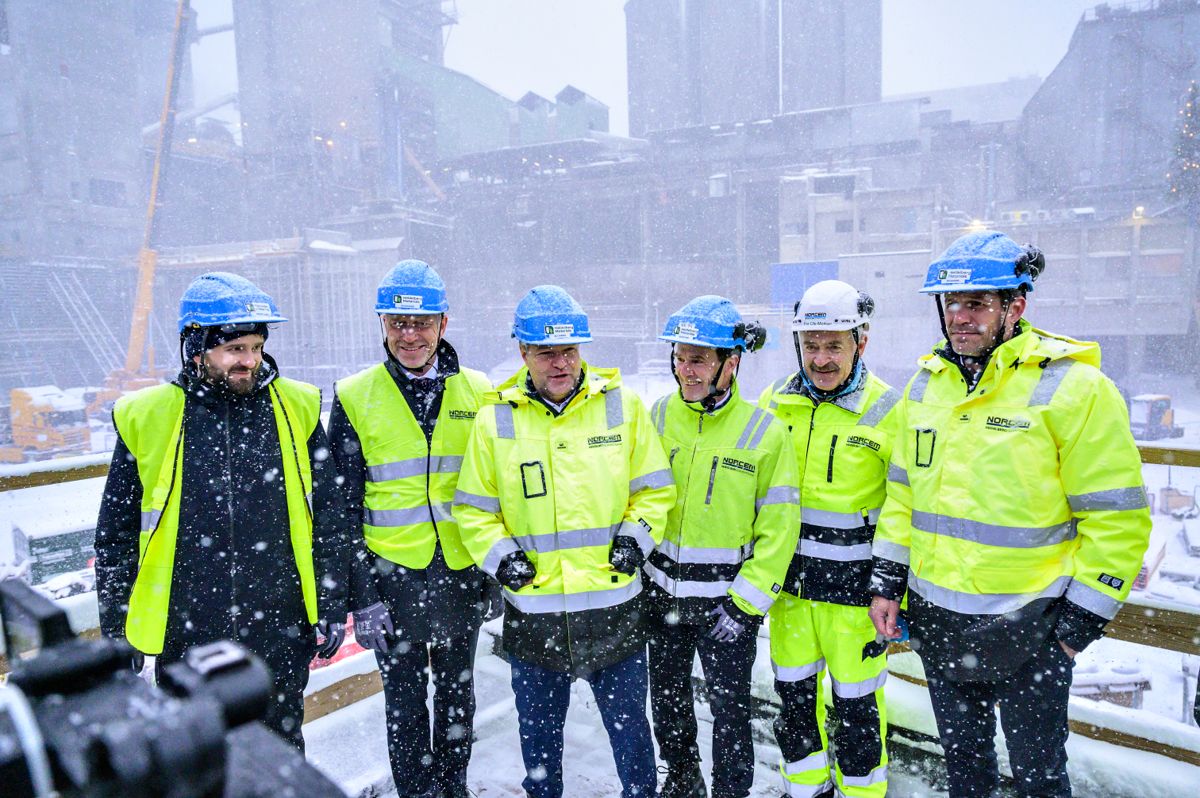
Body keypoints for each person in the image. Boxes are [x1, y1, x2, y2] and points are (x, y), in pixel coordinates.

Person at [867, 231, 1152, 797]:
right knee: (965, 775)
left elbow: (1117, 517)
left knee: (1039, 779)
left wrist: (1078, 623)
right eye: (951, 304)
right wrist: (887, 582)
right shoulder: (927, 386)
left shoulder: (1075, 389)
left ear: (1014, 307)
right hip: (940, 623)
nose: (959, 317)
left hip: (1033, 628)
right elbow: (903, 497)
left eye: (976, 303)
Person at [95, 271, 349, 750]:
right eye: (235, 349)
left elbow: (330, 520)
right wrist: (116, 625)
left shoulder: (296, 406)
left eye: (255, 347)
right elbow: (117, 534)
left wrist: (332, 605)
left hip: (280, 623)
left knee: (278, 750)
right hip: (187, 627)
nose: (249, 361)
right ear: (197, 348)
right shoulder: (149, 416)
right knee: (198, 755)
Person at [453, 285, 676, 798]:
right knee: (538, 746)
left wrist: (635, 541)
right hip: (536, 617)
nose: (560, 363)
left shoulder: (623, 408)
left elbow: (655, 490)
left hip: (614, 609)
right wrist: (502, 558)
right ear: (523, 353)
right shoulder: (496, 420)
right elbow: (473, 507)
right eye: (547, 352)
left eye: (569, 351)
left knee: (632, 742)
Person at [326, 260, 496, 798]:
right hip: (393, 575)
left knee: (458, 694)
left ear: (443, 324)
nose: (409, 335)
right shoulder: (355, 395)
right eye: (398, 323)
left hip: (461, 569)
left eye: (421, 322)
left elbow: (495, 492)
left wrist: (493, 571)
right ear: (382, 324)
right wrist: (362, 595)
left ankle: (453, 787)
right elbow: (342, 507)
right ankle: (417, 792)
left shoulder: (480, 391)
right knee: (403, 699)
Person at [644, 296, 800, 798]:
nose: (686, 370)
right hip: (661, 595)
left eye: (699, 359)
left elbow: (779, 530)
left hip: (725, 605)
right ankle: (683, 779)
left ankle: (731, 791)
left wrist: (746, 604)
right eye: (680, 357)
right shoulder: (658, 415)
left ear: (731, 363)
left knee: (730, 711)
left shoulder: (765, 432)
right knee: (667, 701)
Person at [757, 280, 899, 798]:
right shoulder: (775, 401)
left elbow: (904, 509)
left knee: (859, 713)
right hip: (790, 594)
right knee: (794, 705)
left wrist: (890, 585)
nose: (820, 359)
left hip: (855, 601)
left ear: (861, 341)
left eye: (833, 345)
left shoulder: (888, 410)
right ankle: (805, 792)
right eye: (811, 345)